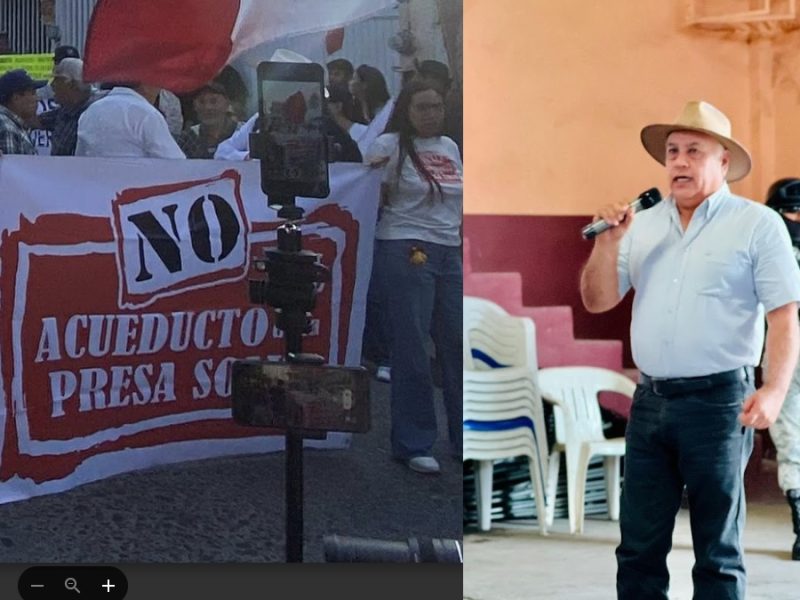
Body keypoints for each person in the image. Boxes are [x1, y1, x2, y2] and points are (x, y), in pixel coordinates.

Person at [580, 100, 800, 598]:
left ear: (723, 163)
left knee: (717, 551)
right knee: (637, 547)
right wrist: (607, 244)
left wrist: (774, 390)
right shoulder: (643, 223)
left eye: (693, 151)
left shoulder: (757, 224)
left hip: (720, 403)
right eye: (672, 151)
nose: (678, 161)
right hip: (651, 401)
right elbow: (596, 301)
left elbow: (784, 315)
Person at [364, 79, 462, 474]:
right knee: (413, 348)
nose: (430, 114)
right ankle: (414, 441)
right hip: (405, 248)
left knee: (456, 345)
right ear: (406, 110)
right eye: (421, 107)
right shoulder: (387, 147)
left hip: (449, 250)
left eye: (435, 106)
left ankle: (464, 437)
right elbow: (371, 196)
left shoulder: (450, 147)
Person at [214, 50, 361, 163]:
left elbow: (352, 161)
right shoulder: (259, 119)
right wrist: (247, 157)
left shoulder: (324, 125)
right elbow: (222, 151)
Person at [764, 177, 800, 561]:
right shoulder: (767, 242)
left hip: (781, 348)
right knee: (791, 440)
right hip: (781, 349)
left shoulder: (768, 240)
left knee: (792, 441)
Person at [75, 81, 185, 158]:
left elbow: (80, 157)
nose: (158, 92)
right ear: (146, 83)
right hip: (136, 186)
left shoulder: (91, 110)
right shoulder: (147, 114)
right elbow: (175, 162)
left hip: (97, 185)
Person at [38, 58, 95, 156]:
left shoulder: (95, 112)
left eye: (57, 80)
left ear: (71, 85)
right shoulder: (65, 111)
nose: (52, 85)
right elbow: (34, 121)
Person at [176, 81, 242, 159]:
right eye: (201, 102)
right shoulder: (186, 138)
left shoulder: (244, 134)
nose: (207, 107)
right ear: (194, 106)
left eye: (213, 101)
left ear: (227, 104)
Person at [0, 68, 46, 155]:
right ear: (16, 98)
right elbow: (10, 167)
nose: (37, 99)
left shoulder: (13, 124)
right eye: (33, 93)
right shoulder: (8, 128)